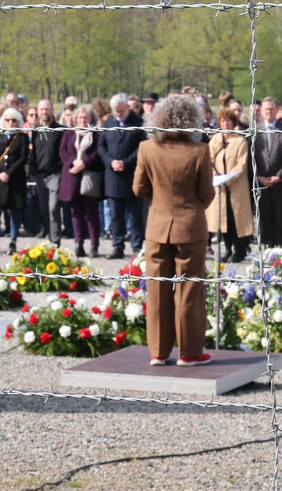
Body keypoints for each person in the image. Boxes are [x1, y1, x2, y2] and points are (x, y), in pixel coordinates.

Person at [133, 95, 215, 367]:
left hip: (157, 226)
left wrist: (161, 204)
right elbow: (206, 194)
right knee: (188, 291)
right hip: (190, 227)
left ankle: (158, 352)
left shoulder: (147, 148)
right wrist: (189, 206)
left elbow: (139, 189)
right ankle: (189, 353)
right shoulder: (199, 151)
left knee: (156, 291)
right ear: (192, 119)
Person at [98, 94, 147, 260]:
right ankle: (117, 246)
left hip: (132, 175)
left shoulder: (139, 123)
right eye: (115, 111)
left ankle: (137, 246)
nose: (118, 114)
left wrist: (126, 162)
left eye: (120, 110)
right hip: (113, 176)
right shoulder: (108, 123)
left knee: (134, 215)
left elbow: (142, 148)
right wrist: (111, 162)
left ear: (127, 107)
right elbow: (101, 146)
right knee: (115, 215)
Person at [205, 109, 253, 263]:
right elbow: (209, 160)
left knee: (236, 219)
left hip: (236, 186)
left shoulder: (240, 140)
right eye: (223, 121)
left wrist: (227, 181)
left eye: (229, 121)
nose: (226, 123)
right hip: (219, 187)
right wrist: (218, 180)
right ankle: (227, 249)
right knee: (222, 220)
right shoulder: (215, 140)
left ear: (234, 123)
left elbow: (241, 164)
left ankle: (239, 250)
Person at [59, 105, 104, 258]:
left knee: (91, 213)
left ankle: (94, 245)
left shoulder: (97, 134)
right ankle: (79, 243)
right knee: (76, 212)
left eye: (85, 118)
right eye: (79, 117)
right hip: (72, 176)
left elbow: (99, 152)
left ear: (91, 119)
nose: (82, 120)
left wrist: (84, 162)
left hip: (89, 177)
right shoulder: (69, 133)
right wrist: (74, 162)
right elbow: (63, 151)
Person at [0, 108, 29, 255]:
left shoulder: (22, 137)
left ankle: (13, 240)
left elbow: (23, 158)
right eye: (7, 120)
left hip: (16, 180)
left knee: (15, 212)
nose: (10, 123)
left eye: (13, 120)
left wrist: (9, 173)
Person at [255, 97, 282, 247]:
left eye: (272, 109)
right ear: (262, 111)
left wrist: (279, 176)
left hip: (280, 184)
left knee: (280, 218)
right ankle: (266, 250)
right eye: (266, 109)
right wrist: (257, 176)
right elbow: (251, 157)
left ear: (277, 110)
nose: (269, 112)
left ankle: (279, 250)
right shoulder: (255, 130)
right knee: (264, 218)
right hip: (261, 182)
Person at [32, 99, 65, 246]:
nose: (44, 112)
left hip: (55, 174)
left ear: (52, 110)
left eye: (47, 109)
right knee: (44, 209)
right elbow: (33, 154)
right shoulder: (35, 132)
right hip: (40, 175)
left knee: (53, 208)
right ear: (38, 112)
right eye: (42, 109)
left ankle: (56, 242)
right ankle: (49, 239)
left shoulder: (60, 130)